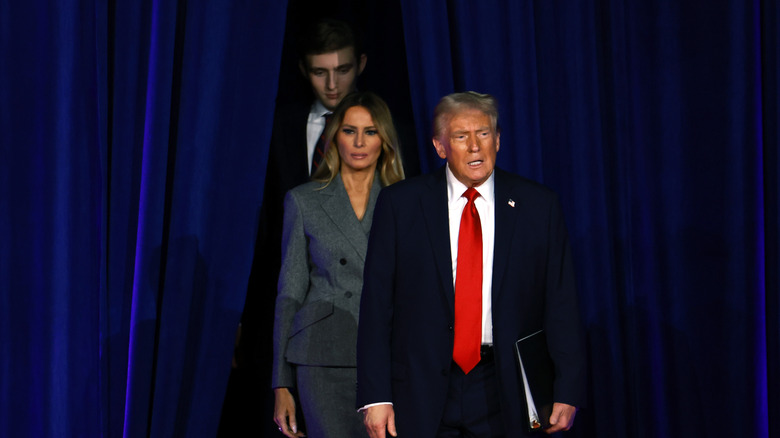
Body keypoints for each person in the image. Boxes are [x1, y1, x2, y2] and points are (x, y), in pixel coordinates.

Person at [356, 91, 587, 437]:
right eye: (461, 137)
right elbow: (376, 307)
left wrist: (568, 388)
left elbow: (561, 303)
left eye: (483, 134)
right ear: (440, 146)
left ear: (497, 139)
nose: (475, 146)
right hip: (422, 386)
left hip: (503, 383)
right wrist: (375, 396)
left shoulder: (539, 206)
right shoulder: (401, 205)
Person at [272, 91, 406, 438]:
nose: (359, 142)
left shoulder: (408, 202)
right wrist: (281, 384)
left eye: (370, 131)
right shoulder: (303, 201)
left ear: (385, 140)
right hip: (321, 358)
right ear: (334, 137)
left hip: (388, 359)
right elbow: (290, 291)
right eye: (349, 131)